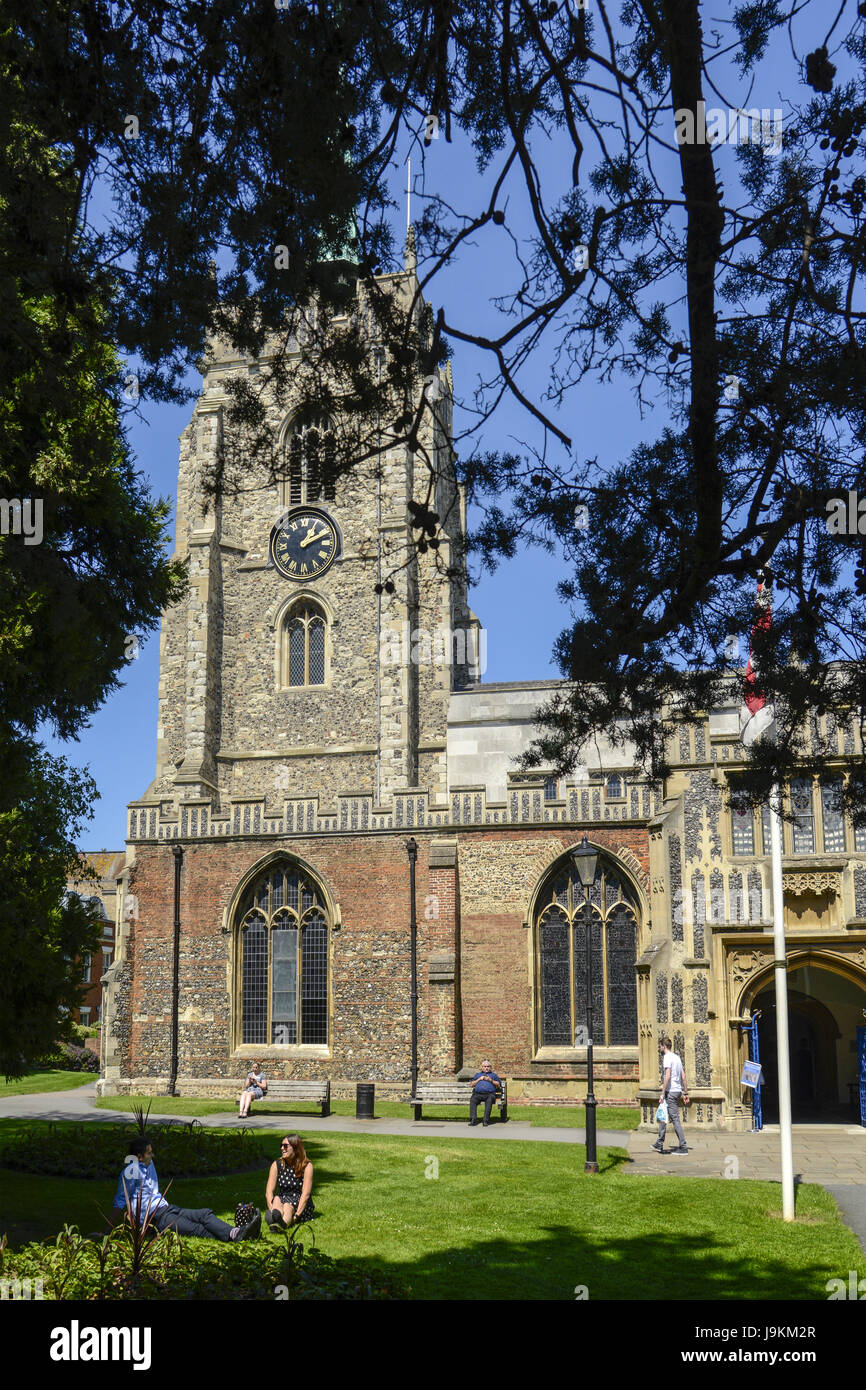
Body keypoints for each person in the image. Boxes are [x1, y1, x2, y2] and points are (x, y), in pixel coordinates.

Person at [113, 1136, 261, 1240]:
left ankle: (235, 1232)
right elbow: (120, 1202)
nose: (153, 1155)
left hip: (167, 1208)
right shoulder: (130, 1173)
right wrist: (107, 1231)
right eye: (149, 1153)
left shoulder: (148, 1164)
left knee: (204, 1214)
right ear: (139, 1157)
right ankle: (236, 1237)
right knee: (196, 1228)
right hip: (156, 1219)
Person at [265, 1134, 315, 1229]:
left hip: (299, 1203)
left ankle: (280, 1225)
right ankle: (275, 1218)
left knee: (287, 1206)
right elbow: (268, 1192)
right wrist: (272, 1209)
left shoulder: (307, 1166)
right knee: (276, 1199)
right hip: (282, 1198)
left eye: (285, 1146)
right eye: (281, 1145)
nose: (282, 1148)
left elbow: (306, 1194)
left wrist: (295, 1217)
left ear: (295, 1148)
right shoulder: (277, 1165)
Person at [653, 1037, 690, 1155]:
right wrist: (685, 1093)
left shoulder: (667, 1057)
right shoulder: (677, 1058)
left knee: (675, 1120)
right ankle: (659, 1143)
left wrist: (662, 1093)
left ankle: (683, 1147)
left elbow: (667, 1076)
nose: (659, 1048)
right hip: (677, 1091)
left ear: (664, 1046)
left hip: (671, 1092)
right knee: (663, 1116)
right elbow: (683, 1076)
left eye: (660, 1046)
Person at [468, 1058, 502, 1127]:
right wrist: (479, 1079)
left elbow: (498, 1085)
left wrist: (490, 1080)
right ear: (482, 1067)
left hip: (489, 1094)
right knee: (473, 1100)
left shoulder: (493, 1075)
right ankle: (473, 1120)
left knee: (489, 1100)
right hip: (478, 1094)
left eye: (488, 1066)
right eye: (485, 1066)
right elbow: (472, 1085)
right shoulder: (478, 1074)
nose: (486, 1068)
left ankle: (485, 1120)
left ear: (490, 1067)